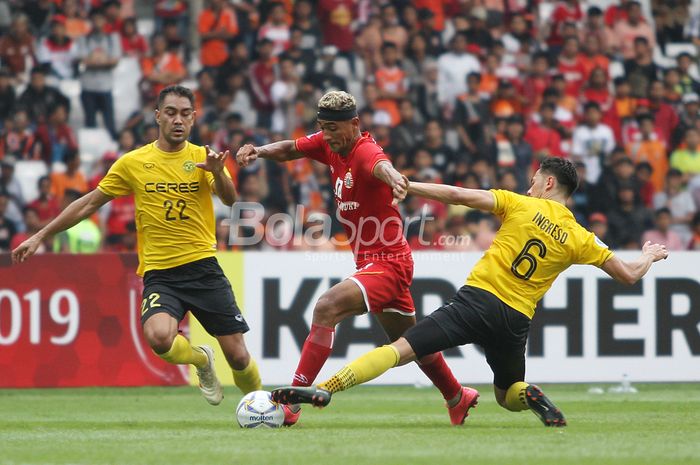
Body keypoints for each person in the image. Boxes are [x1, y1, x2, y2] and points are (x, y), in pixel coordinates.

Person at [271, 157, 669, 427]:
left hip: (476, 302)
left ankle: (325, 387)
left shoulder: (519, 205)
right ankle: (528, 394)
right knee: (506, 393)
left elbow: (459, 195)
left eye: (533, 183)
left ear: (548, 183)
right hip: (516, 321)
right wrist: (649, 256)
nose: (529, 189)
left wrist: (412, 186)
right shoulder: (583, 238)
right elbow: (629, 276)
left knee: (401, 349)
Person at [12, 85, 261, 406]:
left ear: (194, 118)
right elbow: (89, 203)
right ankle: (201, 360)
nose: (178, 120)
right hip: (161, 273)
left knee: (239, 357)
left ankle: (266, 405)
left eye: (185, 114)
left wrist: (220, 173)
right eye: (170, 113)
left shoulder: (204, 157)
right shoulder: (133, 162)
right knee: (159, 338)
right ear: (157, 116)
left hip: (203, 268)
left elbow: (230, 198)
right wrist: (40, 235)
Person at [236, 90, 472, 427]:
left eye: (333, 128)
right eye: (323, 127)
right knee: (411, 342)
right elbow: (290, 148)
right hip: (373, 262)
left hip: (389, 261)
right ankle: (456, 396)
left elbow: (383, 166)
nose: (327, 135)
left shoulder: (365, 152)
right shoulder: (330, 144)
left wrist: (397, 182)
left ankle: (293, 401)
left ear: (355, 124)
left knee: (326, 307)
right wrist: (258, 151)